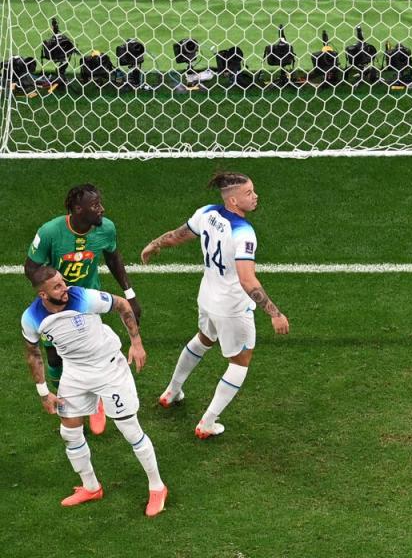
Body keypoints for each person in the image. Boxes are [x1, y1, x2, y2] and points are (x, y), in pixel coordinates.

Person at [140, 171, 289, 439]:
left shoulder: (206, 213)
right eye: (248, 193)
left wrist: (154, 244)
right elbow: (247, 281)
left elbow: (176, 235)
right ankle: (207, 422)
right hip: (231, 307)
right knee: (240, 363)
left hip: (207, 297)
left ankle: (172, 391)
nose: (255, 197)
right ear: (233, 200)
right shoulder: (244, 233)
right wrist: (274, 313)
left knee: (204, 338)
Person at [21, 267, 166, 516]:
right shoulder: (31, 318)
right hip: (75, 373)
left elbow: (121, 305)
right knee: (69, 431)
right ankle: (91, 487)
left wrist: (137, 343)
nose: (64, 287)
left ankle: (157, 487)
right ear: (43, 295)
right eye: (56, 286)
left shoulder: (84, 297)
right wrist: (44, 392)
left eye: (63, 282)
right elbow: (33, 353)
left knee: (130, 430)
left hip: (109, 368)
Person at [25, 184, 142, 436]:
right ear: (78, 209)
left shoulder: (106, 228)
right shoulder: (50, 232)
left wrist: (130, 294)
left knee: (89, 353)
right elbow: (31, 267)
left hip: (87, 304)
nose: (102, 209)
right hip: (55, 309)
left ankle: (96, 401)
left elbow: (113, 258)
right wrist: (51, 291)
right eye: (95, 205)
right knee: (55, 358)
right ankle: (66, 400)